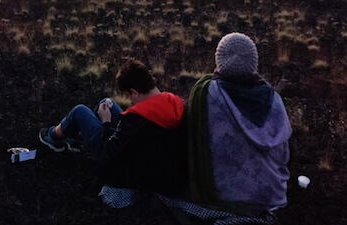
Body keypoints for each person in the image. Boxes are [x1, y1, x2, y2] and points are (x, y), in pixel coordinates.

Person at [38, 58, 188, 196]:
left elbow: (107, 154)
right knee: (107, 101)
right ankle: (78, 134)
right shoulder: (176, 104)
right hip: (160, 169)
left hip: (127, 174)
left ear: (134, 92)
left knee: (80, 111)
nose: (130, 101)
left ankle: (53, 137)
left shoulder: (136, 119)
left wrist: (106, 123)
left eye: (129, 96)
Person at [188, 32, 292, 213]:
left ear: (219, 60)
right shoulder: (273, 99)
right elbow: (284, 156)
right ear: (253, 62)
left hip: (224, 195)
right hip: (271, 197)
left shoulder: (206, 95)